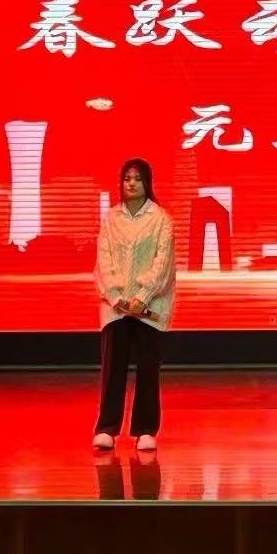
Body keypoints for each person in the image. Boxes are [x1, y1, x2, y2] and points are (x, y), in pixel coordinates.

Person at [91, 158, 175, 452]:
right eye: (127, 178)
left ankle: (145, 430)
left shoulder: (161, 219)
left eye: (137, 179)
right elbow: (103, 260)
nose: (131, 184)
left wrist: (142, 297)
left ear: (147, 183)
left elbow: (162, 264)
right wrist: (117, 297)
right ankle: (107, 429)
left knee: (148, 369)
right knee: (112, 369)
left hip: (149, 308)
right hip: (115, 307)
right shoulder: (110, 218)